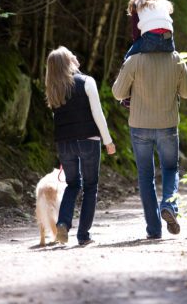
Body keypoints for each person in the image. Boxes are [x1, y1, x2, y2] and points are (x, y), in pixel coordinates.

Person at [112, 0, 187, 239]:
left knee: (145, 177)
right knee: (170, 168)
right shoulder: (176, 58)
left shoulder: (134, 59)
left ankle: (153, 229)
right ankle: (169, 206)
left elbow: (117, 92)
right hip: (168, 124)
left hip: (139, 126)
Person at [45, 46, 116, 246]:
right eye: (71, 55)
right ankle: (83, 236)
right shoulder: (87, 81)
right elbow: (98, 113)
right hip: (88, 141)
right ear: (67, 62)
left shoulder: (53, 89)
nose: (75, 56)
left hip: (64, 143)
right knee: (90, 186)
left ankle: (63, 223)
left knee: (73, 184)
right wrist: (108, 141)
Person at [120, 0, 177, 108]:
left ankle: (127, 99)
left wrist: (137, 46)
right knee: (174, 65)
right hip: (169, 40)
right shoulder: (164, 3)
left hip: (150, 39)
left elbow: (136, 32)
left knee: (127, 59)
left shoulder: (138, 3)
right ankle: (176, 99)